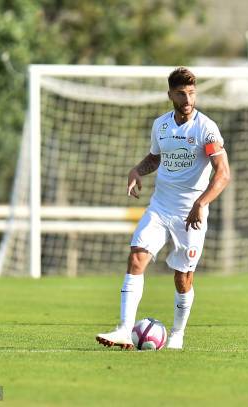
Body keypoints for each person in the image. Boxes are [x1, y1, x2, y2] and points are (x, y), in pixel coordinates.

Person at [96, 67, 231, 349]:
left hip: (191, 214)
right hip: (160, 207)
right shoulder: (161, 125)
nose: (187, 98)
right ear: (170, 94)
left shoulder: (206, 129)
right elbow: (156, 157)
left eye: (192, 93)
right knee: (136, 258)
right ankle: (123, 330)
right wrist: (137, 170)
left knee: (183, 278)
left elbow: (222, 174)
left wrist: (201, 203)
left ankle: (178, 334)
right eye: (181, 93)